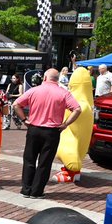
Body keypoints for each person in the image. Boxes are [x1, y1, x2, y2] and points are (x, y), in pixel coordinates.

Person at [14, 69, 83, 199]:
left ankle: (26, 189)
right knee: (45, 162)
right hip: (52, 131)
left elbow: (16, 104)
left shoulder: (34, 90)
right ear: (57, 79)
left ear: (45, 78)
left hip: (34, 128)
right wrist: (66, 123)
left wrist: (24, 120)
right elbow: (77, 109)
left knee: (29, 159)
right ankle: (37, 191)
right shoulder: (63, 93)